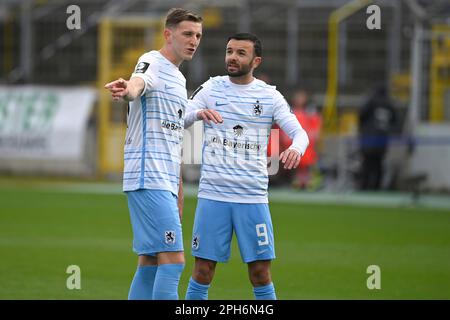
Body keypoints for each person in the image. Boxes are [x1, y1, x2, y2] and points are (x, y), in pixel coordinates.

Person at [183, 33, 309, 300]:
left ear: (256, 61)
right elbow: (180, 115)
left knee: (260, 272)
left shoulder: (270, 96)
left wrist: (296, 149)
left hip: (252, 198)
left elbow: (300, 134)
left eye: (241, 53)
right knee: (203, 270)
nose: (232, 57)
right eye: (229, 51)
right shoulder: (211, 88)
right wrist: (197, 114)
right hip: (213, 195)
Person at [104, 8, 205, 300]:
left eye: (198, 35)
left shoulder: (177, 77)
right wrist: (127, 88)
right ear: (168, 34)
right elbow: (138, 85)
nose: (193, 40)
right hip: (148, 175)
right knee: (174, 262)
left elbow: (174, 122)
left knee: (149, 260)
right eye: (187, 33)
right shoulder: (152, 60)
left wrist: (199, 113)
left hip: (165, 178)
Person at [358, 84, 397, 190]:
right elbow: (394, 121)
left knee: (367, 164)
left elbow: (361, 116)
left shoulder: (372, 101)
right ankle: (376, 187)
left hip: (369, 139)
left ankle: (364, 187)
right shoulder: (390, 104)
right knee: (378, 165)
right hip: (382, 140)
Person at [282, 89, 322, 189]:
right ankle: (298, 179)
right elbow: (284, 132)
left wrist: (305, 138)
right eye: (297, 97)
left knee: (305, 155)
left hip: (307, 144)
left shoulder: (310, 113)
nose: (299, 100)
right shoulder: (288, 112)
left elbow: (315, 132)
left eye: (301, 97)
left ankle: (307, 179)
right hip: (291, 143)